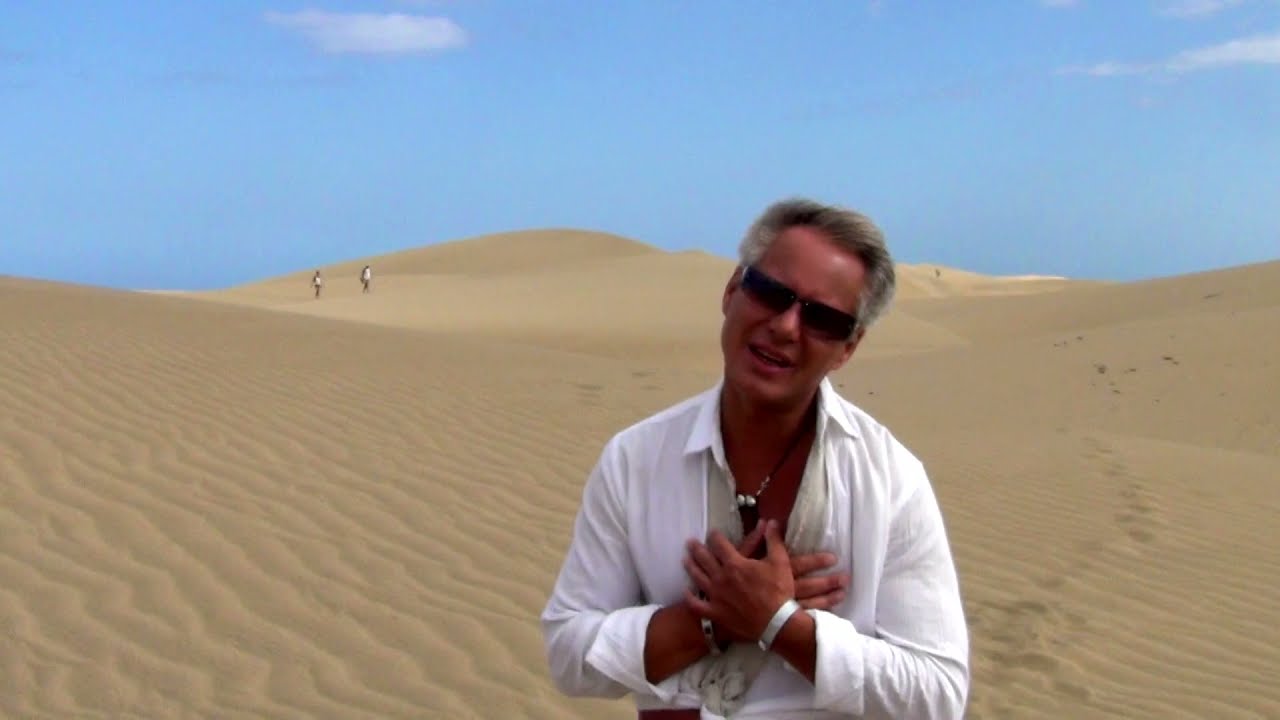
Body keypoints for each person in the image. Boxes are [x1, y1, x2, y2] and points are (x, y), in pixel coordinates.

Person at [540, 198, 969, 719]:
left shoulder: (891, 480)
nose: (786, 326)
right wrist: (712, 621)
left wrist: (780, 624)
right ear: (731, 291)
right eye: (770, 292)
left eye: (822, 319)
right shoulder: (636, 459)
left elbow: (937, 696)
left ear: (848, 347)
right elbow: (569, 655)